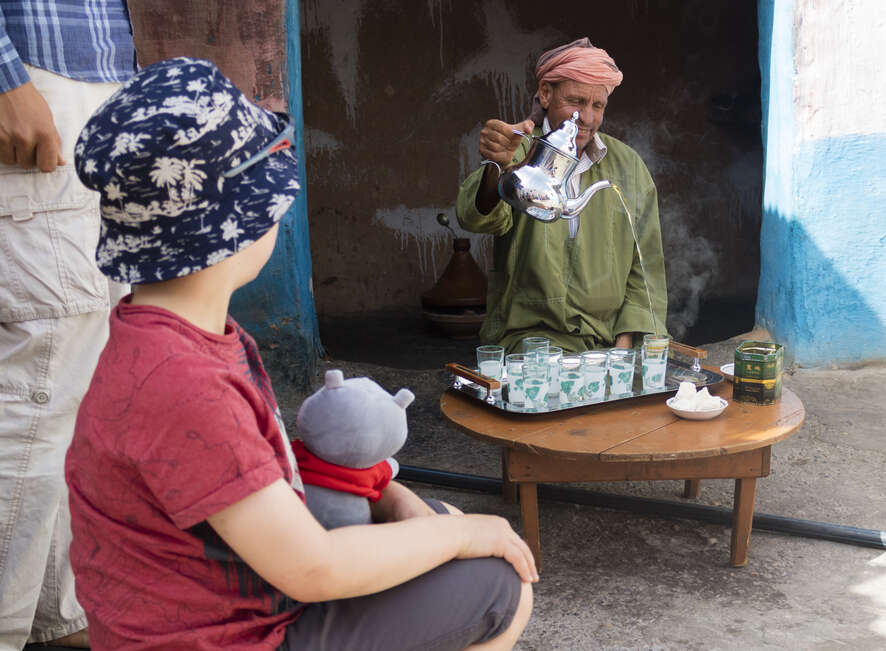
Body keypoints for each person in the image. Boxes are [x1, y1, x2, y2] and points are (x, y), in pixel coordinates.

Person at [65, 58, 536, 650]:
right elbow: (313, 568)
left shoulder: (163, 337)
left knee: (434, 520)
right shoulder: (185, 381)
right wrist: (468, 535)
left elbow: (259, 478)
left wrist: (387, 493)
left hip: (215, 603)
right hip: (228, 636)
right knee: (499, 582)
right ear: (236, 222)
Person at [0, 2, 136, 647]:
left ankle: (53, 614)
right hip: (34, 82)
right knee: (39, 387)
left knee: (74, 388)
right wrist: (5, 80)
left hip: (93, 84)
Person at [456, 37, 669, 353]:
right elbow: (475, 218)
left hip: (611, 341)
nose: (587, 118)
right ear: (545, 93)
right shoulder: (521, 150)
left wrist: (626, 344)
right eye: (576, 101)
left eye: (598, 106)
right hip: (532, 339)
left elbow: (645, 266)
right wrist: (496, 166)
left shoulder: (628, 166)